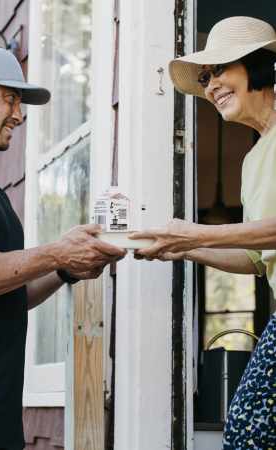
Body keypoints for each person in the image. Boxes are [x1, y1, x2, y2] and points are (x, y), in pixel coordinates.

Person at [0, 45, 126, 450]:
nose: (19, 113)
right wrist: (55, 252)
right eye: (9, 97)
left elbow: (5, 292)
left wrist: (67, 267)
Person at [130, 16, 276, 450]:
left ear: (261, 66)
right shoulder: (253, 160)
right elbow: (256, 259)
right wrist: (183, 250)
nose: (210, 86)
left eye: (220, 70)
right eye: (206, 77)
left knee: (248, 431)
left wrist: (192, 233)